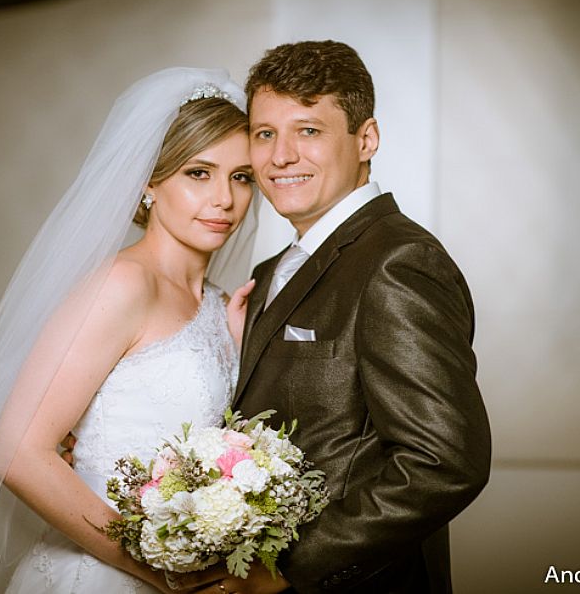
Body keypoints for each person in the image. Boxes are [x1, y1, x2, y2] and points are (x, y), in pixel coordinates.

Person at [0, 68, 259, 593]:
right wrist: (160, 573)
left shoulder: (223, 306)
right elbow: (16, 453)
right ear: (149, 183)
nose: (224, 198)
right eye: (198, 173)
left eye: (242, 177)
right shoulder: (122, 285)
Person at [182, 41, 492, 594]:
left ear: (365, 139)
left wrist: (288, 567)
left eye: (308, 131)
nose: (281, 157)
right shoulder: (272, 269)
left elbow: (443, 462)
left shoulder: (398, 261)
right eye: (264, 134)